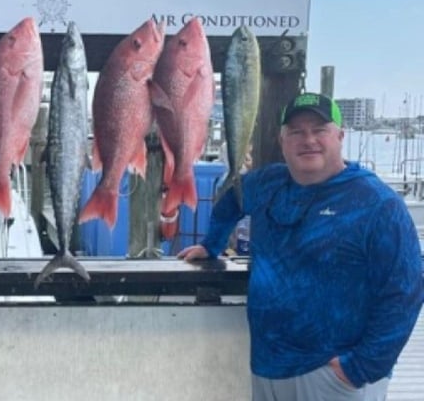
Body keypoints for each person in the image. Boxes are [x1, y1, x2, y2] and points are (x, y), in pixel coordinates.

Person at [179, 92, 423, 401]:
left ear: (340, 135)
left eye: (319, 130)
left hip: (334, 375)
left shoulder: (378, 203)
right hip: (268, 366)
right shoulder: (266, 183)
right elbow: (230, 201)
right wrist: (211, 245)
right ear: (282, 140)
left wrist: (359, 368)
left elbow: (406, 292)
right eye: (296, 132)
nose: (308, 139)